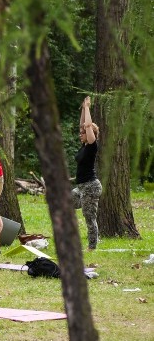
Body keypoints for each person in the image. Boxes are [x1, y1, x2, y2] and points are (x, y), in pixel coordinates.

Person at [72, 96, 101, 250]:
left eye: (83, 133)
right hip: (81, 187)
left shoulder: (92, 145)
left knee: (89, 217)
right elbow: (83, 124)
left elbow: (88, 125)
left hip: (91, 187)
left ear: (91, 134)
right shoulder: (84, 145)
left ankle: (92, 246)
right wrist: (83, 108)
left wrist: (88, 107)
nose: (80, 133)